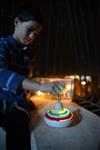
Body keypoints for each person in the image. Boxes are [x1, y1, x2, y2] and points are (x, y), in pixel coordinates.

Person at [0, 5, 64, 150]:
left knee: (19, 135)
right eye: (29, 30)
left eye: (36, 34)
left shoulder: (28, 54)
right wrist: (41, 86)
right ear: (16, 22)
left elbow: (28, 78)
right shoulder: (2, 44)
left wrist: (37, 92)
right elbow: (1, 74)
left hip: (18, 104)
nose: (31, 37)